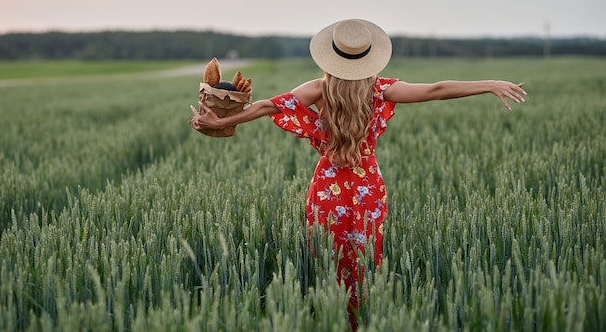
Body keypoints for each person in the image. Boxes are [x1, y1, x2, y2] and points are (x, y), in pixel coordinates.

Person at [189, 19, 526, 330]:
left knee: (327, 263)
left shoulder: (318, 90)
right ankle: (363, 321)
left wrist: (222, 122)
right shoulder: (381, 90)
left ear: (330, 58)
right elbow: (436, 89)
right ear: (369, 59)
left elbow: (264, 107)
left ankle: (329, 320)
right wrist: (488, 84)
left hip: (327, 191)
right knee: (365, 263)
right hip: (368, 188)